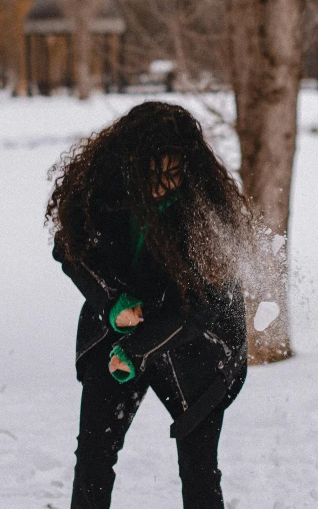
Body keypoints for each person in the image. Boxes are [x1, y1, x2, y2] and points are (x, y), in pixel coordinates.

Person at [46, 101, 251, 508]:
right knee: (93, 458)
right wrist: (109, 305)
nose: (163, 186)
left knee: (199, 469)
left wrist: (137, 349)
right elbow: (70, 252)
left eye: (173, 173)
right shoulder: (101, 194)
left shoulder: (207, 213)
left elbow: (201, 308)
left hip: (198, 346)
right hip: (117, 329)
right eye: (152, 174)